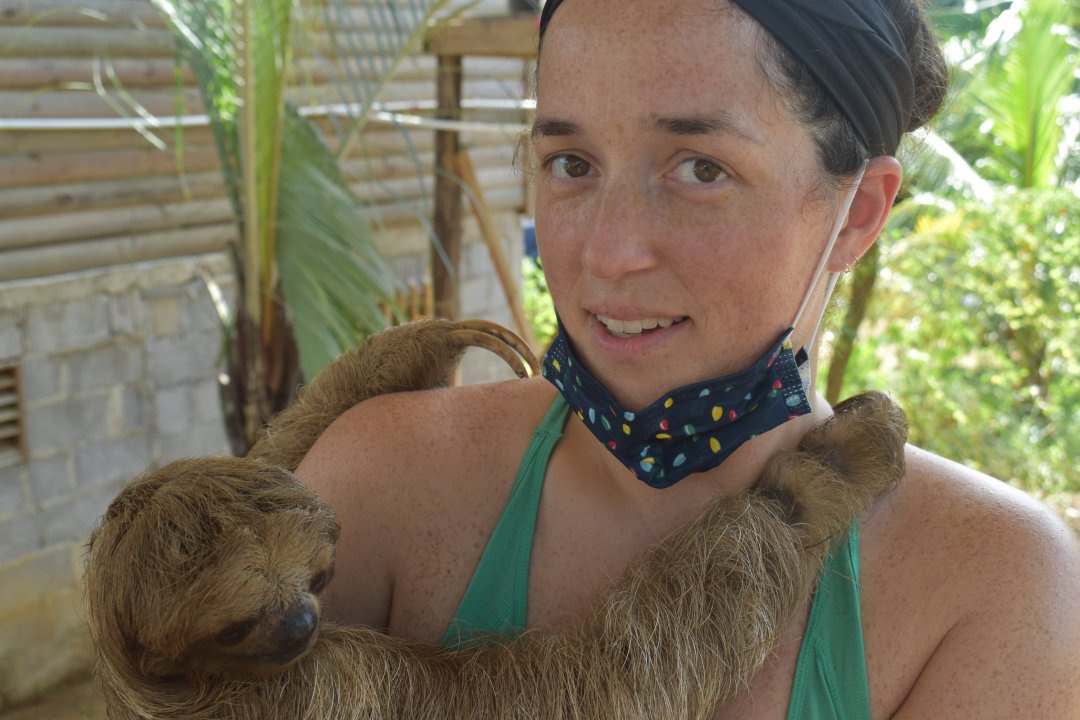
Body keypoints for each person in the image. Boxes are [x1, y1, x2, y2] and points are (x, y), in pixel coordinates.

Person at [296, 0, 1080, 716]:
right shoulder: (376, 486)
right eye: (572, 164)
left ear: (857, 214)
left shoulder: (994, 587)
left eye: (701, 169)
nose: (606, 252)